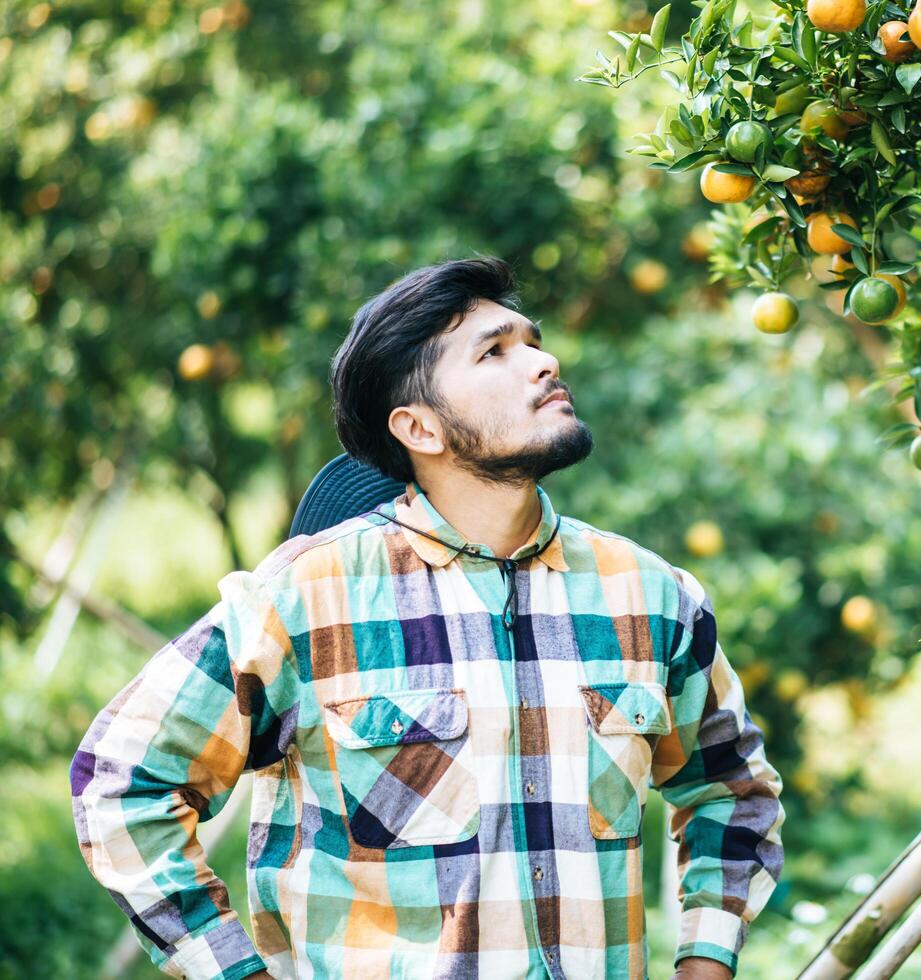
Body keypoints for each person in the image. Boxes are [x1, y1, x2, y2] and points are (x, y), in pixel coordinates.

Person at [70, 256, 786, 979]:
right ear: (420, 428)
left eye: (532, 341)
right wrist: (233, 969)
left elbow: (731, 790)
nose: (543, 361)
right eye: (495, 352)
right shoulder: (304, 599)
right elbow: (121, 784)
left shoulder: (651, 595)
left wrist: (705, 961)